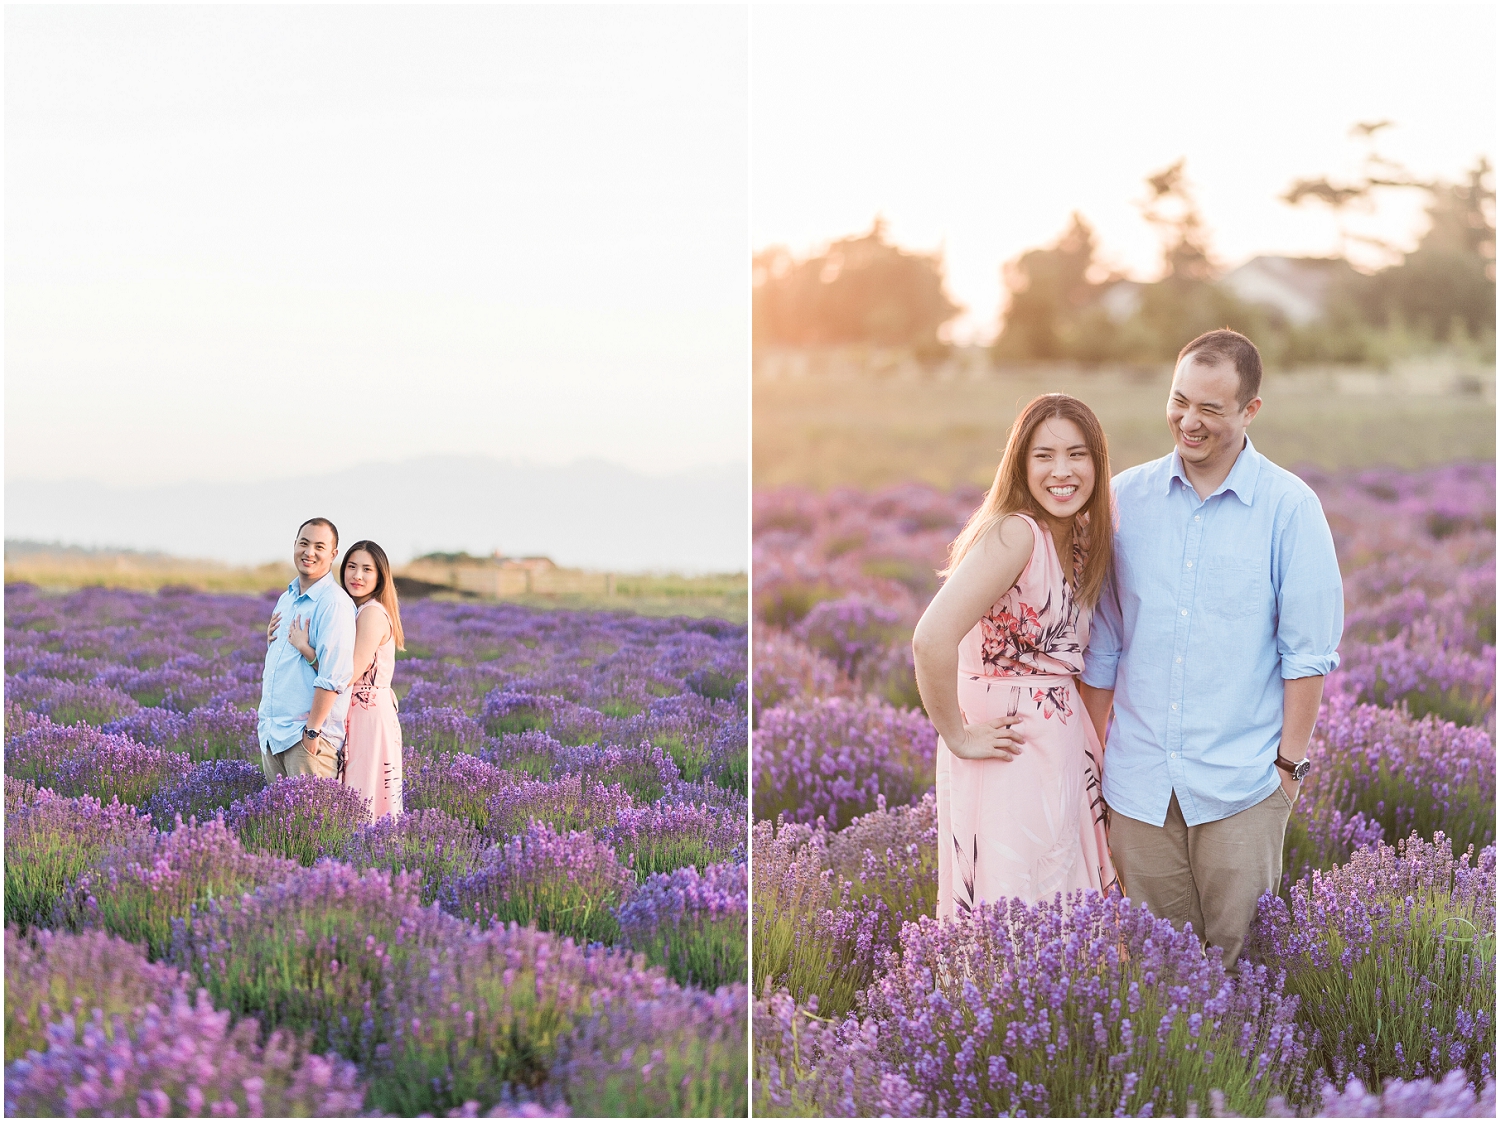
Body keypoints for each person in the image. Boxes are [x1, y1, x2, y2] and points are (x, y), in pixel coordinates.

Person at [1079, 329, 1344, 967]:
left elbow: (1307, 654)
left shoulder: (1289, 508)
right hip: (1139, 784)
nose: (1188, 421)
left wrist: (1289, 770)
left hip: (1242, 784)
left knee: (1241, 967)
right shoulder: (1126, 499)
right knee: (1154, 971)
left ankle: (1244, 1072)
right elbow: (1106, 643)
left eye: (1210, 409)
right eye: (1179, 401)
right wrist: (1088, 767)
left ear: (1250, 410)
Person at [914, 393, 1120, 916]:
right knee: (1011, 906)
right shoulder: (1015, 534)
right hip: (1007, 752)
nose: (1062, 471)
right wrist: (956, 735)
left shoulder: (1078, 540)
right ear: (1021, 465)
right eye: (1044, 456)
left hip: (1064, 751)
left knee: (1062, 901)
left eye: (1077, 455)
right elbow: (930, 639)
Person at [288, 539, 405, 819]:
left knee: (363, 791)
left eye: (367, 569)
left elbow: (347, 674)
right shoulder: (357, 610)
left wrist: (306, 649)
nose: (357, 575)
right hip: (363, 709)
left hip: (367, 715)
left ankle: (368, 854)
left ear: (380, 577)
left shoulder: (372, 614)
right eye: (352, 567)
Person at [259, 518, 356, 781]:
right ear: (294, 545)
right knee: (278, 822)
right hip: (274, 736)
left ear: (333, 554)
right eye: (304, 543)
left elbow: (334, 676)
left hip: (306, 741)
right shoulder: (287, 597)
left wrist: (311, 733)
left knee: (312, 822)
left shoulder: (333, 604)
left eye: (319, 546)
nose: (309, 552)